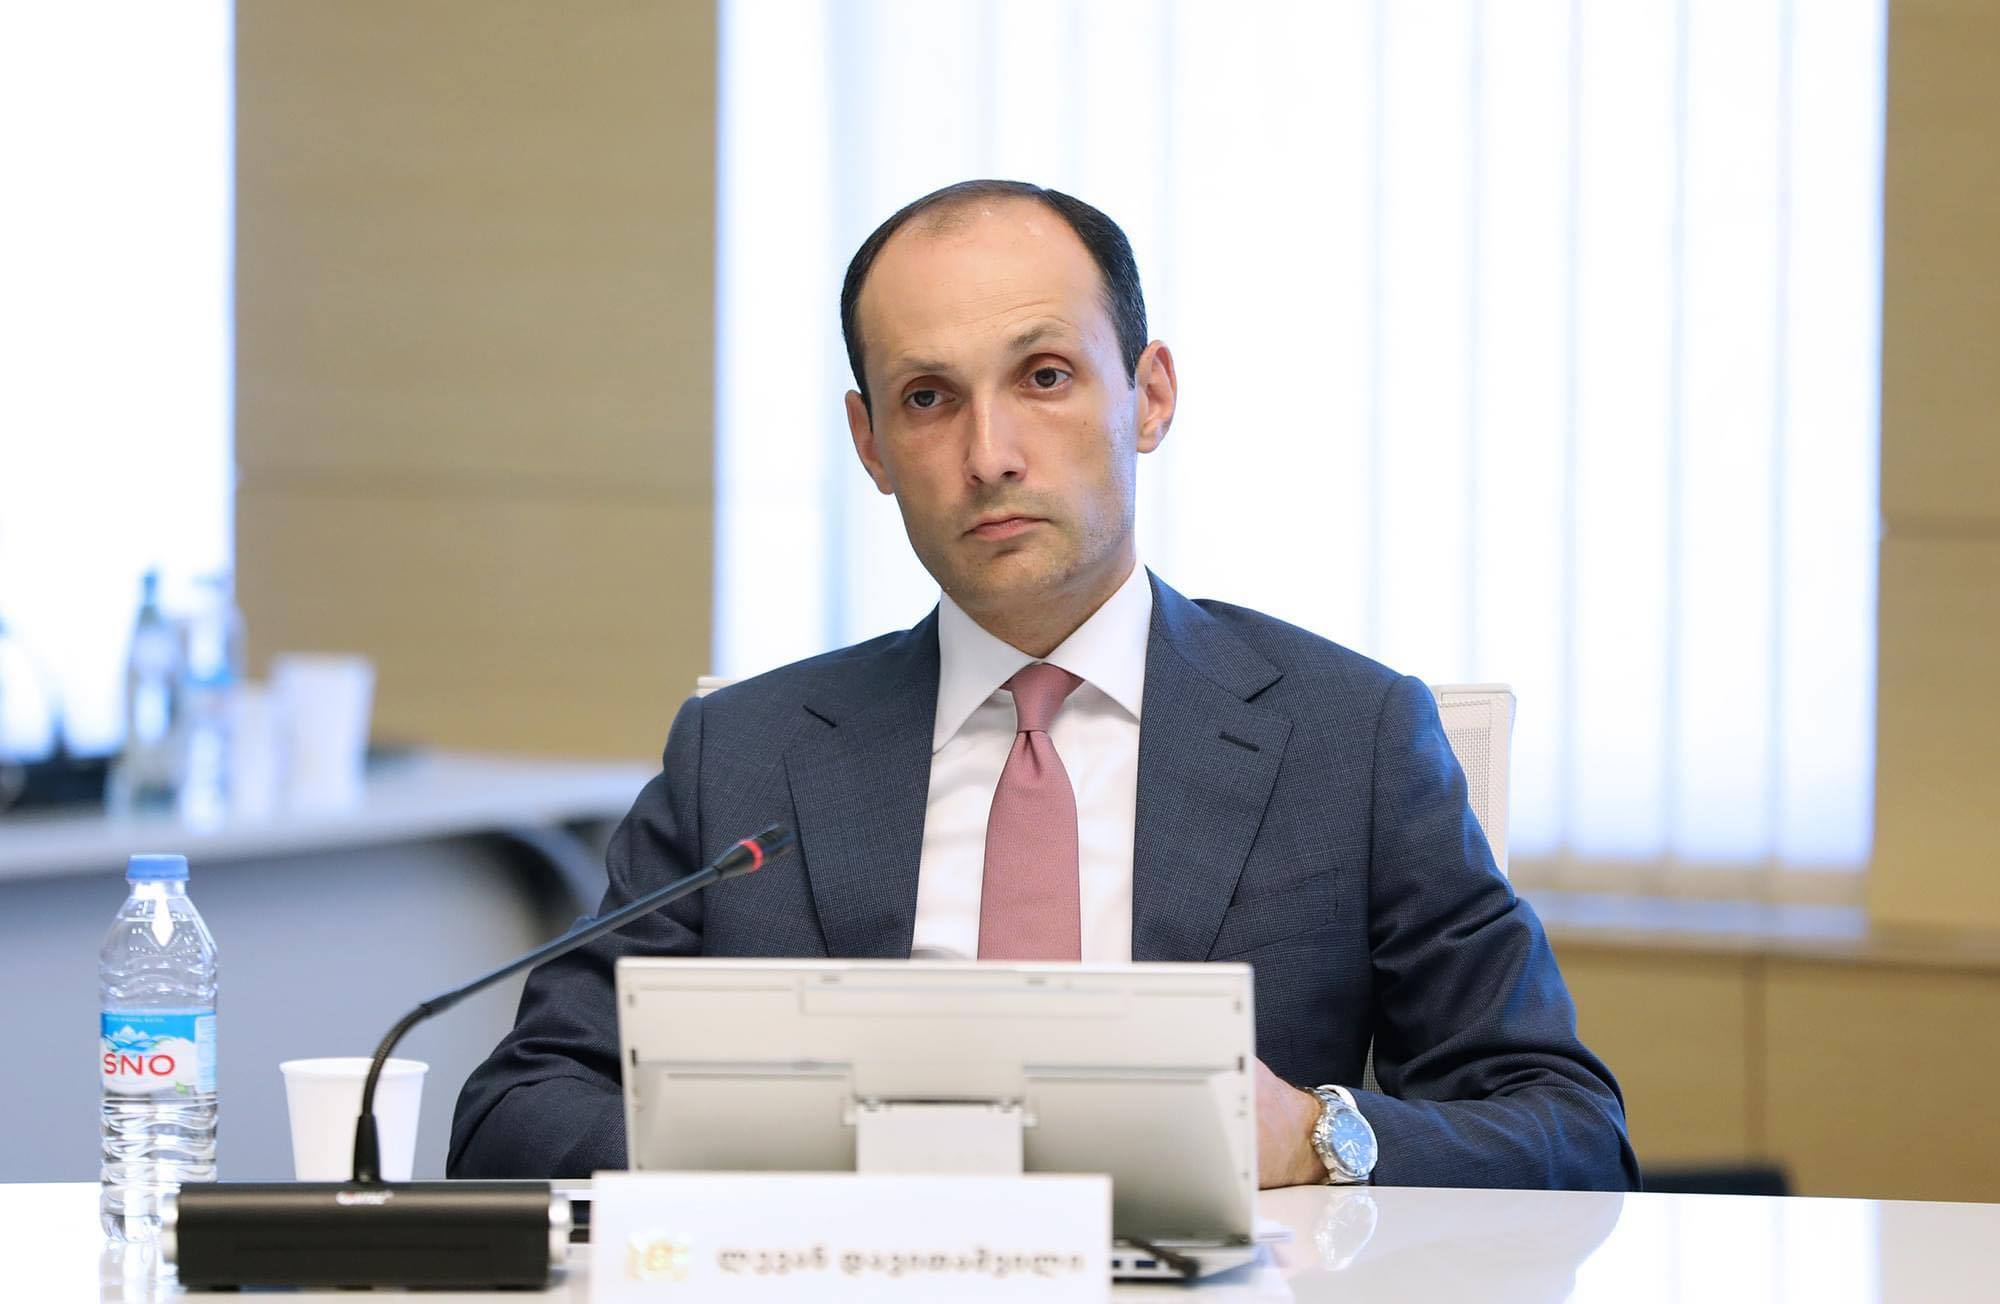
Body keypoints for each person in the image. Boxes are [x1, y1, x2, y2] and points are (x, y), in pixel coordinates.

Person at [450, 179, 1638, 1191]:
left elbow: (1567, 1130)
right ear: (870, 443)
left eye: (1045, 374)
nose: (989, 455)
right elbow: (516, 1112)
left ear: (1149, 396)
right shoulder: (743, 752)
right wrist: (823, 1159)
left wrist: (1313, 1135)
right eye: (928, 398)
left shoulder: (1351, 736)